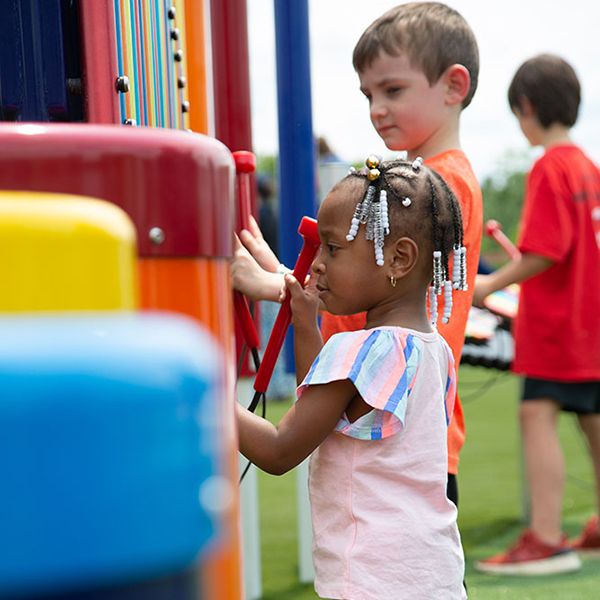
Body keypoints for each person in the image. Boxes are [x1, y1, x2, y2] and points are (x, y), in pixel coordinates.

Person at [237, 157, 468, 599]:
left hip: (372, 578)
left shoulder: (362, 352)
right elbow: (325, 413)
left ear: (398, 258)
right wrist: (307, 325)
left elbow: (280, 450)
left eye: (333, 248)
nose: (317, 263)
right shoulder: (431, 349)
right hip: (431, 572)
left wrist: (199, 392)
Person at [319, 1, 483, 509]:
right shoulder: (431, 184)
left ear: (454, 86)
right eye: (369, 94)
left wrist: (287, 284)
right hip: (391, 411)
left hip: (396, 417)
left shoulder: (439, 187)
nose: (376, 109)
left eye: (393, 90)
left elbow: (358, 281)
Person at [473, 54, 600, 575]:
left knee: (536, 413)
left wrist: (491, 284)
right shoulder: (588, 165)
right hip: (591, 323)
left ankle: (546, 537)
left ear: (526, 106)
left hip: (557, 326)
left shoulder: (550, 166)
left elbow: (549, 248)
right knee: (593, 418)